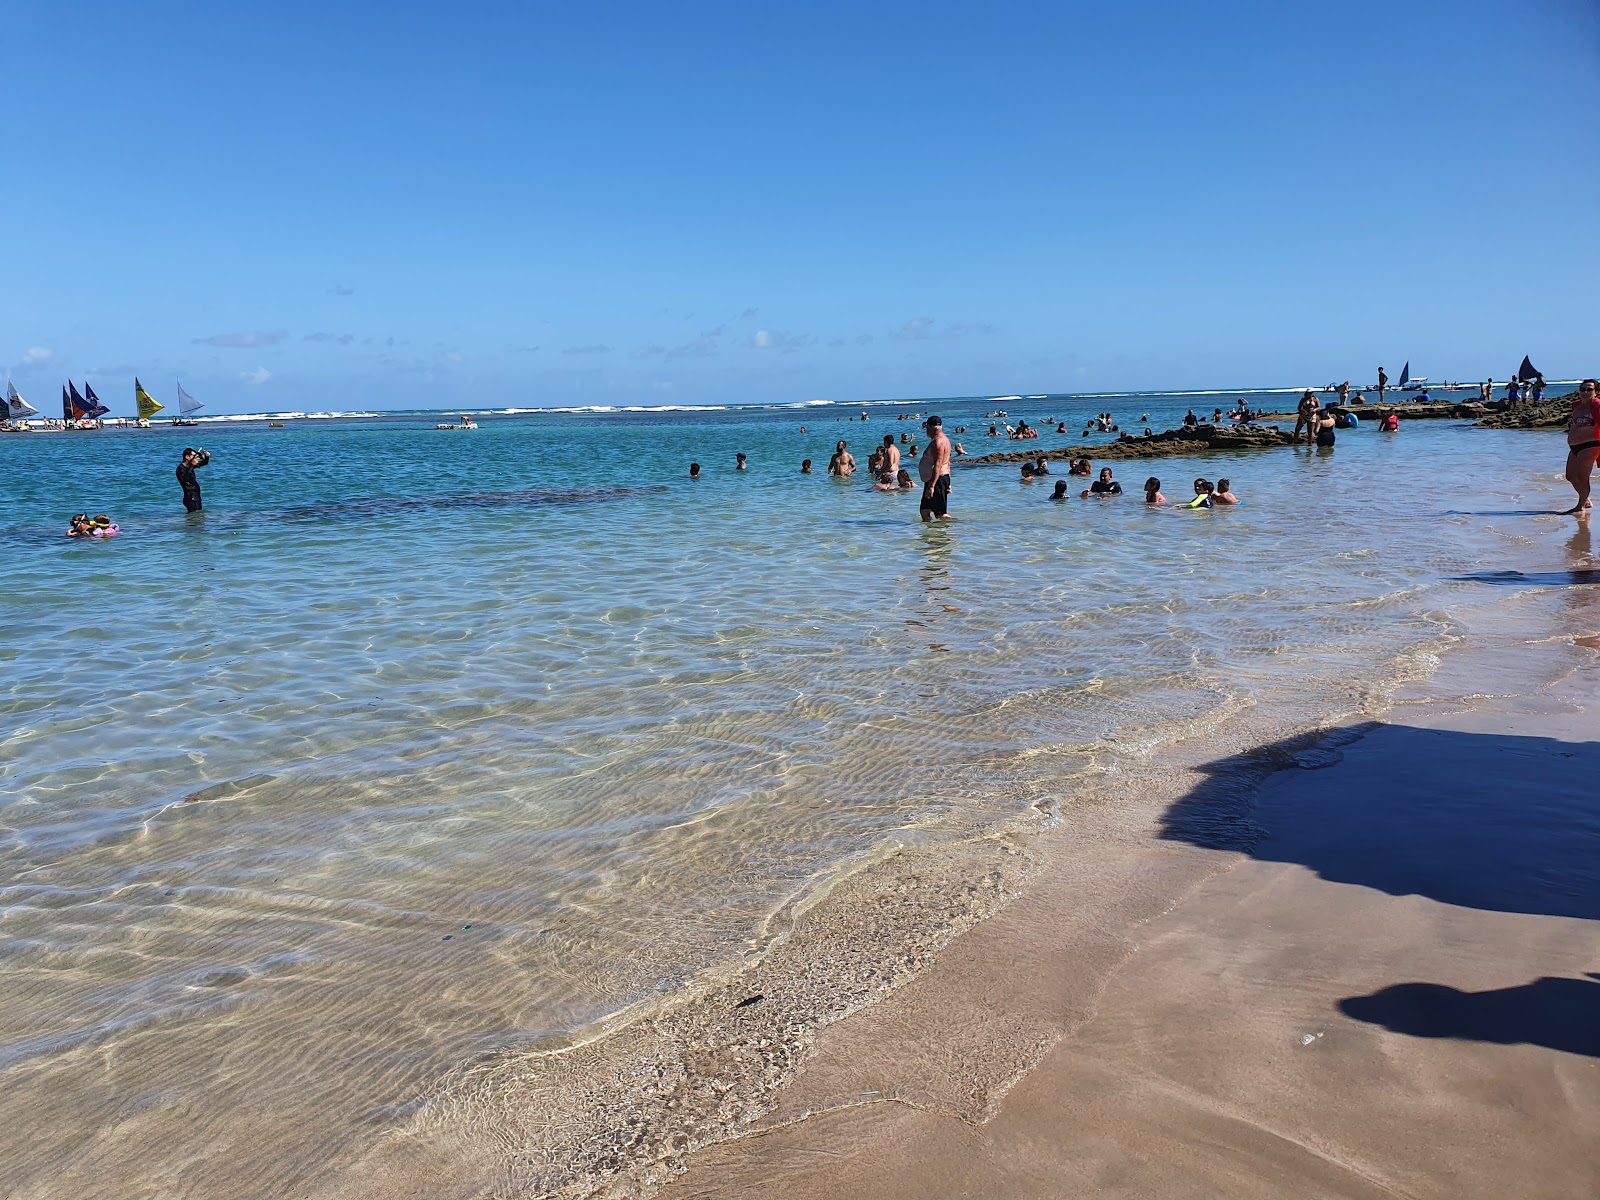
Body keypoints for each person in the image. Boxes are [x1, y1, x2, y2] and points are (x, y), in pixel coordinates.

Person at [1563, 379, 1600, 514]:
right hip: (1574, 447)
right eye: (1583, 389)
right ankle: (1586, 499)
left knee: (1583, 477)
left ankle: (1580, 506)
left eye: (1589, 389)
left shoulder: (1596, 406)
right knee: (1570, 476)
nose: (1585, 392)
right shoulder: (1576, 406)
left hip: (1590, 445)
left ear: (1596, 392)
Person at [918, 415, 953, 521]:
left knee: (940, 514)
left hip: (937, 480)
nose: (926, 431)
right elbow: (948, 463)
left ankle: (960, 526)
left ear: (930, 427)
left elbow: (938, 464)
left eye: (927, 428)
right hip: (936, 479)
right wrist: (948, 483)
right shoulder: (945, 440)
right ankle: (931, 536)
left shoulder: (938, 442)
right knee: (925, 510)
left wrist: (932, 486)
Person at [176, 447, 210, 512]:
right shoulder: (180, 469)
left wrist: (207, 457)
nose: (196, 458)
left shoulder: (189, 466)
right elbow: (185, 478)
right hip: (191, 499)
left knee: (198, 518)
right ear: (187, 457)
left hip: (196, 498)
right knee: (194, 519)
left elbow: (203, 463)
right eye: (194, 456)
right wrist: (192, 465)